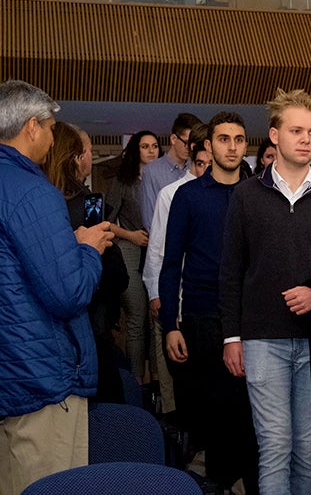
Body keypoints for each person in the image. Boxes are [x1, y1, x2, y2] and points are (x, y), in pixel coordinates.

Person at [219, 88, 311, 495]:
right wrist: (231, 336)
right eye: (296, 130)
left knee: (309, 449)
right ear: (274, 135)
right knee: (276, 446)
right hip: (262, 337)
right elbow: (230, 271)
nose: (306, 139)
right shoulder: (246, 196)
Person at [0, 79, 114, 495]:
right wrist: (87, 248)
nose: (52, 139)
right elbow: (68, 293)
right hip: (43, 380)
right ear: (32, 127)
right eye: (49, 128)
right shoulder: (33, 191)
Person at [158, 112, 258, 492]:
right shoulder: (188, 195)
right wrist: (171, 324)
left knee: (252, 417)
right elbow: (170, 265)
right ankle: (217, 484)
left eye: (238, 139)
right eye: (223, 139)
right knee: (218, 415)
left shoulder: (257, 194)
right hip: (203, 317)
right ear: (208, 146)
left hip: (252, 317)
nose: (232, 146)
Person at [42, 122, 129, 405]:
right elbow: (116, 273)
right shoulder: (88, 205)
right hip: (91, 323)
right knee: (103, 418)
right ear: (77, 157)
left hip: (47, 335)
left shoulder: (37, 199)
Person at [143, 122, 211, 427]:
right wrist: (156, 294)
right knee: (182, 376)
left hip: (209, 304)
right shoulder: (172, 194)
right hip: (178, 298)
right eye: (202, 161)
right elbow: (158, 249)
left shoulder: (230, 192)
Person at [106, 130, 156, 382]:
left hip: (156, 252)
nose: (151, 150)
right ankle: (137, 384)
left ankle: (157, 381)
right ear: (136, 150)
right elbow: (106, 222)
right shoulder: (123, 181)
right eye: (145, 146)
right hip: (129, 248)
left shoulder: (164, 180)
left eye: (155, 146)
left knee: (156, 317)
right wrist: (131, 235)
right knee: (137, 316)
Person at [140, 112, 201, 231]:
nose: (190, 149)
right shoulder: (152, 171)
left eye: (194, 145)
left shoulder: (198, 168)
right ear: (173, 139)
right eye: (186, 143)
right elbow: (150, 220)